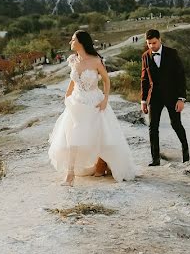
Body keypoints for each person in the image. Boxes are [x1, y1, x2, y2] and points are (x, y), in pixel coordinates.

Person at [48, 30, 137, 186]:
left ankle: (104, 165)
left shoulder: (96, 60)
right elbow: (73, 80)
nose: (70, 42)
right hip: (75, 103)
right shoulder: (73, 60)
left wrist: (105, 100)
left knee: (102, 137)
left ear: (81, 42)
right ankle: (70, 176)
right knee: (72, 137)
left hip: (94, 102)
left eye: (73, 39)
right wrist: (67, 96)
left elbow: (107, 81)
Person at [140, 29, 190, 166]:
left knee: (176, 125)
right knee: (153, 127)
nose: (151, 46)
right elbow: (144, 79)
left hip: (172, 96)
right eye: (149, 43)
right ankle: (155, 159)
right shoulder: (145, 56)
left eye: (154, 43)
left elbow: (180, 76)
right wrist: (143, 100)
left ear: (160, 39)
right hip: (154, 97)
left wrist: (181, 98)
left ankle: (186, 154)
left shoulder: (172, 53)